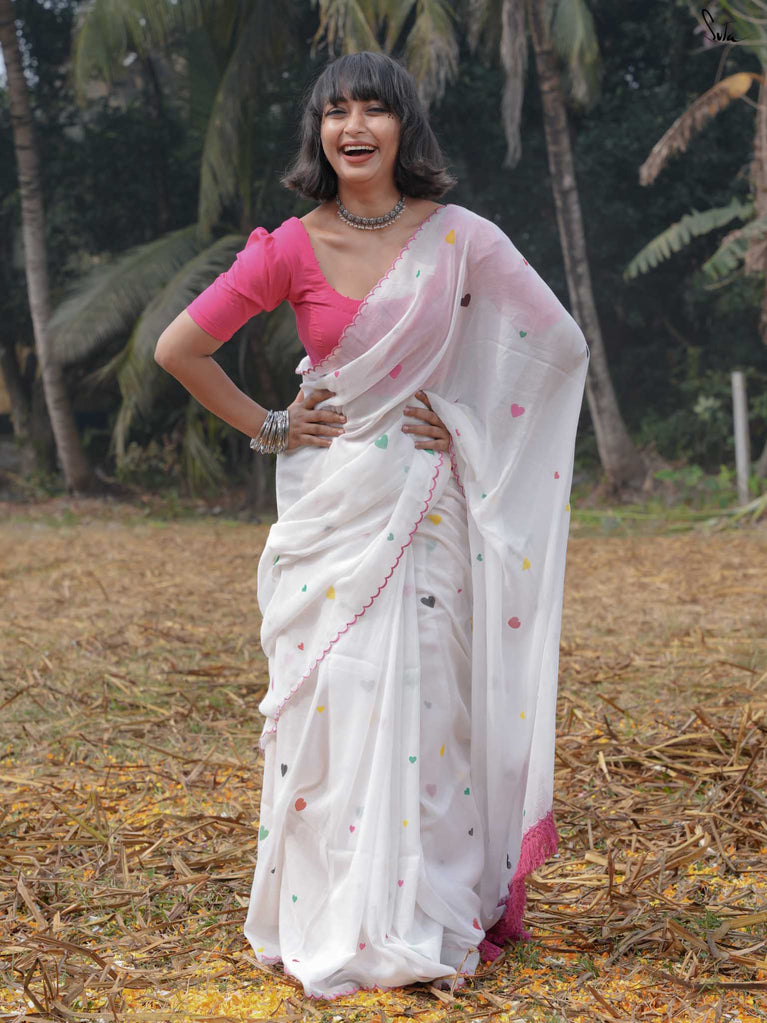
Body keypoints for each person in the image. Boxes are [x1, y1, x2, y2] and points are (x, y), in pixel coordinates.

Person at [155, 50, 589, 1001]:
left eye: (373, 110)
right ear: (317, 131)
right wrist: (273, 425)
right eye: (335, 112)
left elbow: (557, 346)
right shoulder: (289, 246)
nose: (353, 128)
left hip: (424, 506)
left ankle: (418, 912)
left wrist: (464, 420)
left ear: (403, 127)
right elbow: (179, 347)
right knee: (334, 702)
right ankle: (330, 912)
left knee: (426, 709)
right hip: (333, 510)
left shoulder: (461, 239)